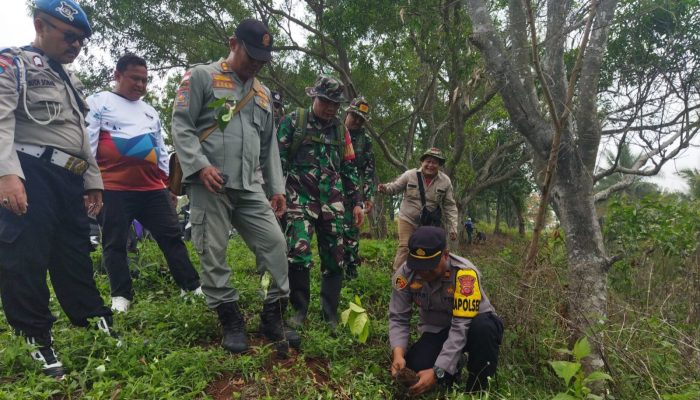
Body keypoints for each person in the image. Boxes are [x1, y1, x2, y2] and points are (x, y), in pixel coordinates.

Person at [0, 0, 117, 379]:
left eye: (81, 40)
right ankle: (36, 337)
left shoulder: (71, 79)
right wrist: (6, 174)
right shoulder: (12, 62)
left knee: (75, 253)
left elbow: (81, 136)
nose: (76, 46)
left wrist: (92, 179)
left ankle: (92, 322)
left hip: (70, 177)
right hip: (29, 169)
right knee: (26, 257)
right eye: (70, 36)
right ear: (40, 26)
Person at [171, 19, 299, 354]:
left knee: (274, 245)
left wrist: (277, 189)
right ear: (233, 43)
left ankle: (272, 315)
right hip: (210, 183)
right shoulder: (201, 76)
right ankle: (230, 319)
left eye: (262, 58)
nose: (256, 63)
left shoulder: (262, 93)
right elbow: (181, 127)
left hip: (250, 185)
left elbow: (269, 144)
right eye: (251, 55)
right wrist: (199, 167)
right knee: (213, 252)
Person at [86, 54, 203, 313]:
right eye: (135, 79)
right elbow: (88, 144)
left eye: (145, 80)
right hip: (113, 188)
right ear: (117, 75)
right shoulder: (98, 102)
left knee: (172, 236)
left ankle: (191, 286)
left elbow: (160, 150)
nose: (141, 85)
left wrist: (168, 186)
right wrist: (89, 184)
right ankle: (121, 296)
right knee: (115, 242)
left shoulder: (149, 111)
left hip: (152, 189)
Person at [277, 74, 364, 329]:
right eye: (326, 101)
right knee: (299, 253)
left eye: (336, 104)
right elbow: (278, 159)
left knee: (335, 258)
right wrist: (275, 193)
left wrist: (356, 202)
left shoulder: (341, 131)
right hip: (298, 199)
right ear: (315, 97)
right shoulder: (294, 121)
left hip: (333, 203)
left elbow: (348, 168)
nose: (331, 108)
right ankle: (299, 311)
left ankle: (330, 315)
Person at [389, 226, 503, 395]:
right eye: (419, 266)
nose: (424, 272)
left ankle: (477, 391)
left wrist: (437, 372)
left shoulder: (465, 274)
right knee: (416, 366)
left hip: (473, 328)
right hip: (439, 330)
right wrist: (398, 354)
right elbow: (399, 317)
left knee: (484, 328)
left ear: (445, 255)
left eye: (429, 266)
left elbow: (460, 327)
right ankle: (453, 368)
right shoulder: (404, 276)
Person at [377, 147, 458, 271]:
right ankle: (398, 278)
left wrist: (453, 226)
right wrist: (385, 188)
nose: (430, 165)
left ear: (439, 165)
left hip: (428, 223)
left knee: (428, 250)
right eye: (428, 161)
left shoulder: (445, 181)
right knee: (405, 247)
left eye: (434, 162)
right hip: (407, 219)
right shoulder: (410, 175)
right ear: (422, 162)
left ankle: (422, 277)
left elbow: (450, 205)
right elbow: (394, 187)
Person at [342, 96, 375, 279]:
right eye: (354, 116)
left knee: (352, 234)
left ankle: (351, 273)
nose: (356, 121)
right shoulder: (334, 131)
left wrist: (367, 196)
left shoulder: (365, 140)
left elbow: (368, 170)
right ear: (347, 112)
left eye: (361, 118)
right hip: (330, 191)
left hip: (353, 195)